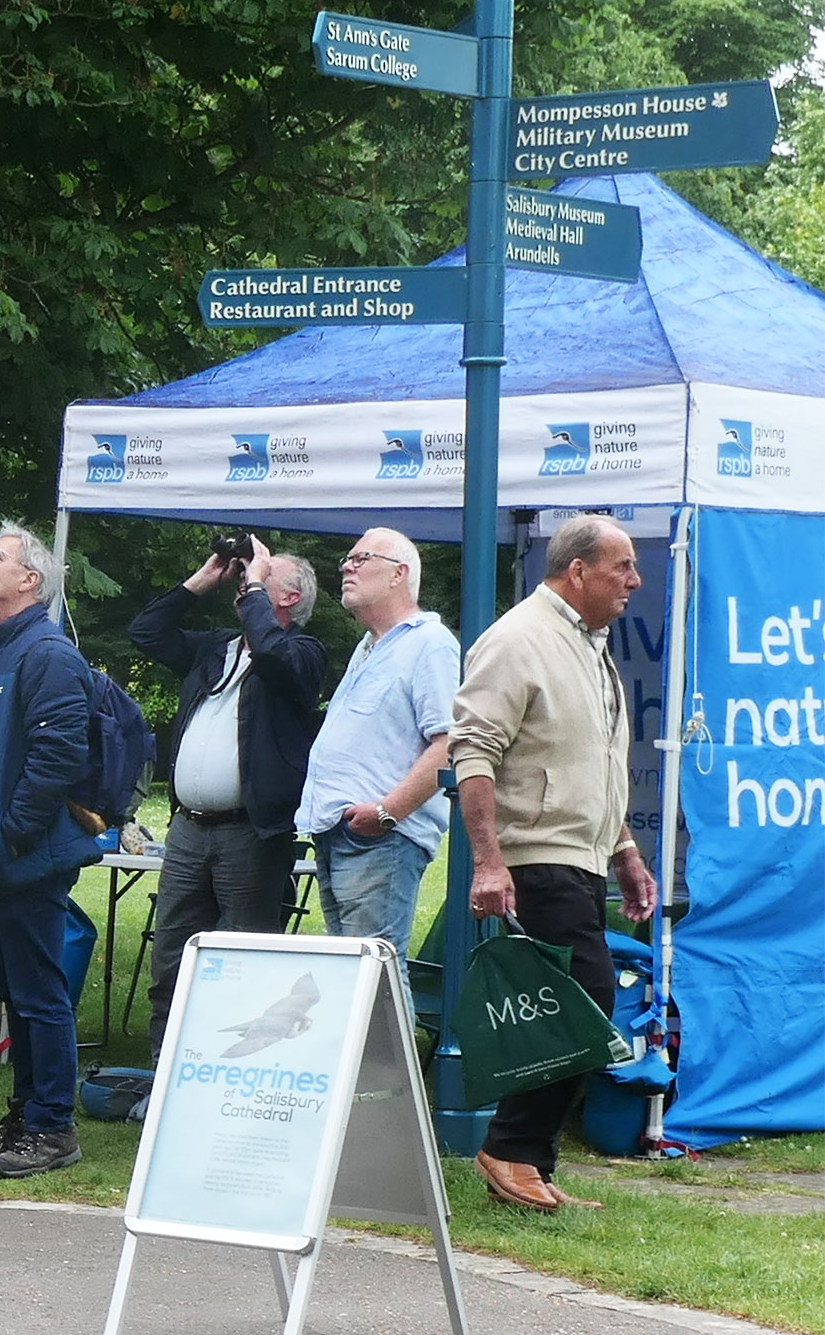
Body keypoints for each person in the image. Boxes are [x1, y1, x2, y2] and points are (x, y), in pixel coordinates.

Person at [453, 515, 655, 1213]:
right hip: (535, 855)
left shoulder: (588, 644)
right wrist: (488, 862)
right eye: (621, 567)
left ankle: (527, 1161)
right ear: (577, 571)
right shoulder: (517, 641)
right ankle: (509, 1148)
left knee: (575, 1004)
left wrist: (625, 850)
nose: (634, 580)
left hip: (581, 855)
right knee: (586, 1001)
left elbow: (590, 765)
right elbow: (472, 752)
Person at [127, 537, 326, 1056]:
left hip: (250, 833)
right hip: (189, 829)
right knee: (171, 954)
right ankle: (165, 1068)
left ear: (288, 598)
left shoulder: (302, 653)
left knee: (246, 955)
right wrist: (202, 578)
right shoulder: (215, 650)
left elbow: (277, 658)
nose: (245, 583)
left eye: (261, 579)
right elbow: (145, 632)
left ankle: (236, 1070)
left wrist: (253, 585)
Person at [0, 523, 98, 1179]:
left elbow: (59, 754)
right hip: (1, 857)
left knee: (39, 994)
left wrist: (13, 831)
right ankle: (27, 1113)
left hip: (25, 856)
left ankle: (52, 1127)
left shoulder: (48, 655)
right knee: (18, 991)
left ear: (29, 579)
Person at [295, 528, 462, 953]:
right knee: (360, 972)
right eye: (347, 560)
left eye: (362, 558)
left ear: (398, 575)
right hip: (345, 833)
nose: (347, 566)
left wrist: (387, 813)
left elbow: (449, 743)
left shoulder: (430, 643)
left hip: (382, 837)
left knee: (375, 969)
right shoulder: (370, 646)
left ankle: (394, 1025)